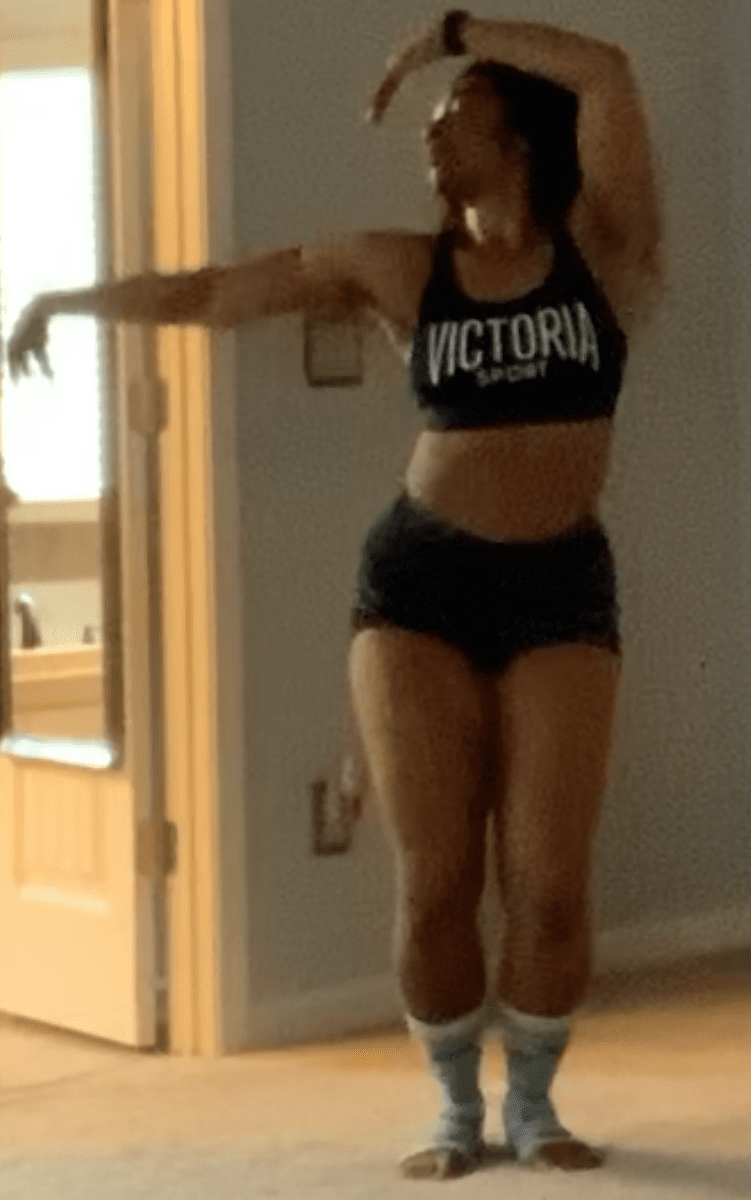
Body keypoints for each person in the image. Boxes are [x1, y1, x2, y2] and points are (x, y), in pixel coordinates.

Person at [5, 11, 663, 1180]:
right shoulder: (399, 268)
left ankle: (534, 1104)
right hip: (417, 587)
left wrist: (444, 35)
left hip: (562, 583)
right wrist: (65, 301)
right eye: (429, 120)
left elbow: (606, 73)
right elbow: (213, 292)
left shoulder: (603, 252)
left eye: (455, 116)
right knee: (435, 883)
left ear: (517, 139)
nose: (430, 134)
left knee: (548, 881)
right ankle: (456, 1107)